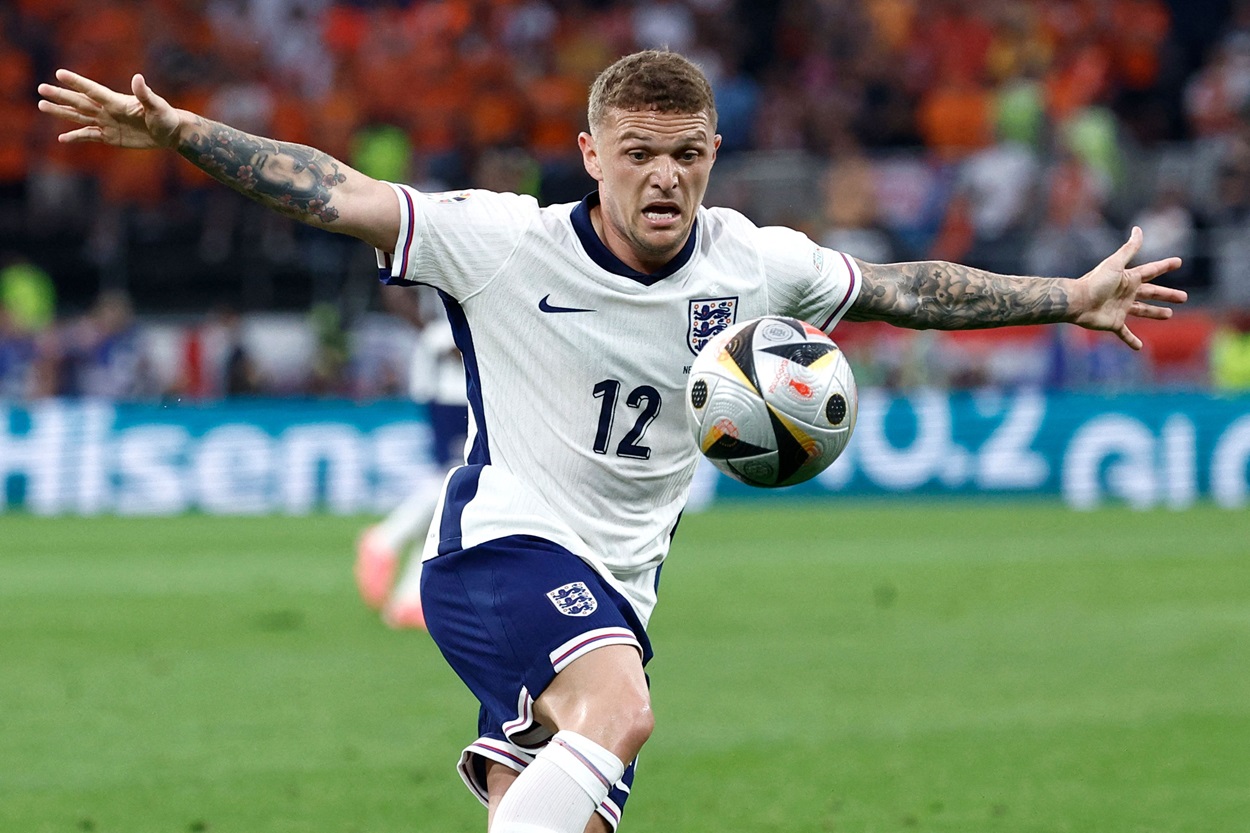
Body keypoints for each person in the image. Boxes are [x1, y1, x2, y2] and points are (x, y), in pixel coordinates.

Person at [38, 50, 1187, 833]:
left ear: (713, 153)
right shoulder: (499, 244)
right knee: (619, 709)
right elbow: (331, 191)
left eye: (685, 152)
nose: (663, 175)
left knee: (546, 794)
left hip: (622, 584)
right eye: (636, 150)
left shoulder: (755, 261)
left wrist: (1064, 295)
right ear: (589, 151)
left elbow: (899, 286)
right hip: (502, 549)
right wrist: (180, 131)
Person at [356, 283, 469, 630]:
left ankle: (409, 598)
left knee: (453, 492)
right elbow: (394, 288)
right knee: (458, 476)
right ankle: (385, 538)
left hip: (456, 378)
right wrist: (437, 336)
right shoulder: (452, 242)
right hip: (452, 383)